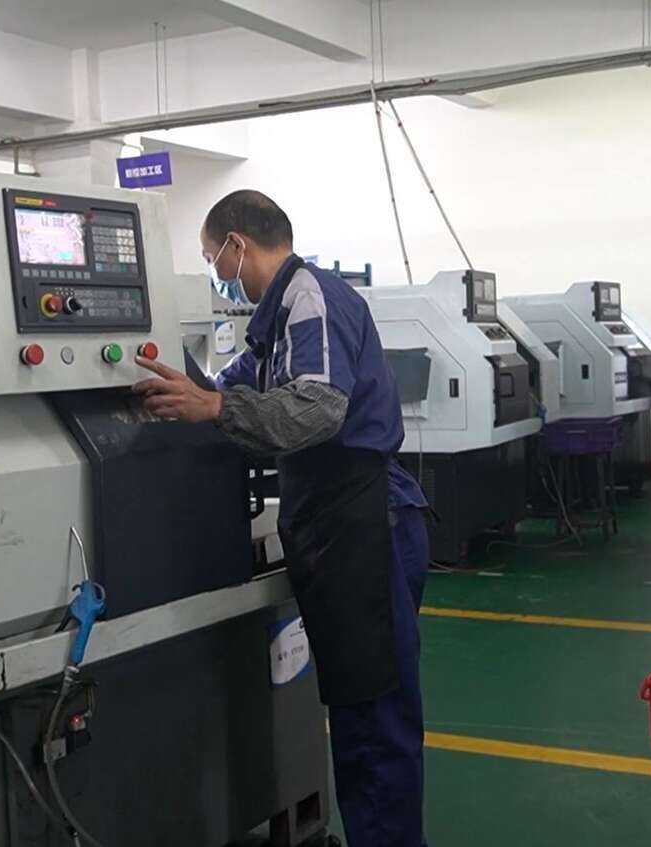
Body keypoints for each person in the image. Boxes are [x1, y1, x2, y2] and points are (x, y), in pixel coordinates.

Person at [130, 190, 429, 847]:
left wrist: (213, 409)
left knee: (375, 719)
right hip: (336, 522)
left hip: (365, 522)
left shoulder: (309, 297)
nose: (217, 272)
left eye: (212, 257)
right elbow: (227, 386)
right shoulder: (275, 320)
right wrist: (180, 391)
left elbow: (317, 407)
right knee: (359, 711)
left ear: (237, 245)